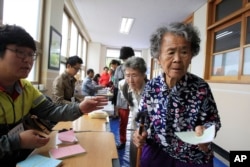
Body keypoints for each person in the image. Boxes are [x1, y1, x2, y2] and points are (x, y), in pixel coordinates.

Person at [0, 24, 108, 167]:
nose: (28, 60)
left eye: (31, 54)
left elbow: (52, 111)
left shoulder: (26, 88)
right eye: (20, 52)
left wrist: (81, 108)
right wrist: (17, 141)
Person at [132, 22, 221, 167]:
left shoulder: (201, 88)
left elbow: (213, 120)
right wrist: (140, 132)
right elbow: (143, 118)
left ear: (191, 56)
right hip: (157, 152)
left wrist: (206, 133)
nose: (178, 59)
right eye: (171, 52)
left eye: (184, 52)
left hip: (192, 156)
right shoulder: (150, 87)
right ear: (158, 57)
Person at [121, 56, 148, 167]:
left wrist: (147, 132)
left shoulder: (152, 91)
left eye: (134, 75)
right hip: (136, 126)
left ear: (143, 75)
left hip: (151, 129)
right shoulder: (125, 88)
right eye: (127, 76)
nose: (130, 80)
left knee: (147, 160)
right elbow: (131, 106)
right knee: (133, 156)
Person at [114, 46, 135, 149]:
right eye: (125, 59)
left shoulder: (137, 67)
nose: (126, 60)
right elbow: (116, 84)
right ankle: (123, 141)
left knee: (138, 121)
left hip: (136, 97)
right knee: (123, 121)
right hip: (123, 98)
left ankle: (137, 140)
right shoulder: (118, 69)